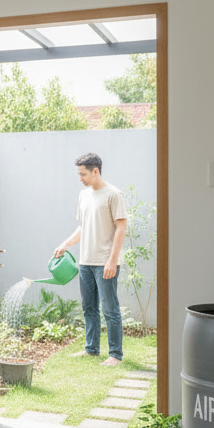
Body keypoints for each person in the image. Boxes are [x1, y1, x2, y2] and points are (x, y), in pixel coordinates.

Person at [53, 152, 127, 366]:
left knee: (109, 308)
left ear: (96, 171)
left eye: (83, 174)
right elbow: (83, 227)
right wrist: (65, 244)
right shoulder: (83, 195)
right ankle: (91, 349)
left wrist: (112, 261)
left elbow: (121, 227)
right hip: (85, 261)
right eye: (79, 174)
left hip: (105, 261)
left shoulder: (114, 194)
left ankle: (115, 355)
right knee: (89, 307)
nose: (80, 178)